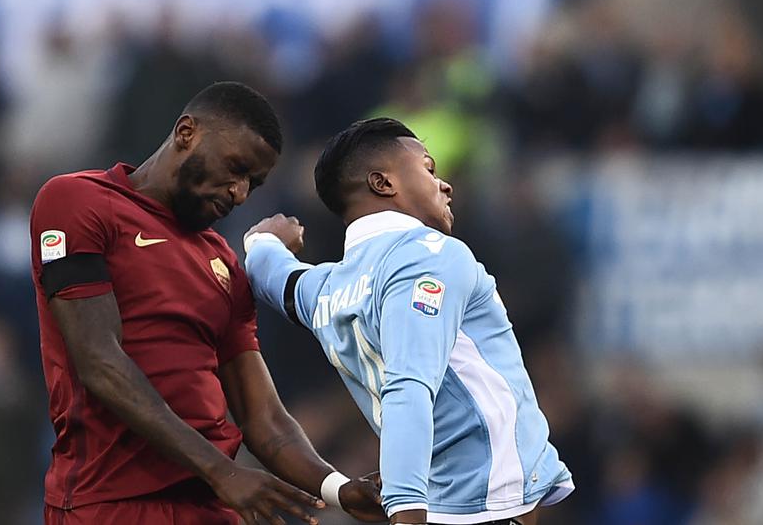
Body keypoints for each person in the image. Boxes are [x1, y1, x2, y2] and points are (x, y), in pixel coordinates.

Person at [29, 82, 383, 525]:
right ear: (186, 132)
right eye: (235, 168)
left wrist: (339, 489)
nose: (238, 192)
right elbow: (99, 361)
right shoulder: (77, 201)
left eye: (253, 184)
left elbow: (264, 418)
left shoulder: (223, 263)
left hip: (212, 507)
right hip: (109, 503)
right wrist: (221, 470)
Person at [243, 117, 575, 525]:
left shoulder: (328, 289)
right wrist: (405, 513)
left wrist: (262, 242)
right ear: (383, 184)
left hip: (446, 504)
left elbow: (276, 278)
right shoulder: (430, 256)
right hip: (479, 507)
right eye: (429, 169)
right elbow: (409, 385)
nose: (445, 184)